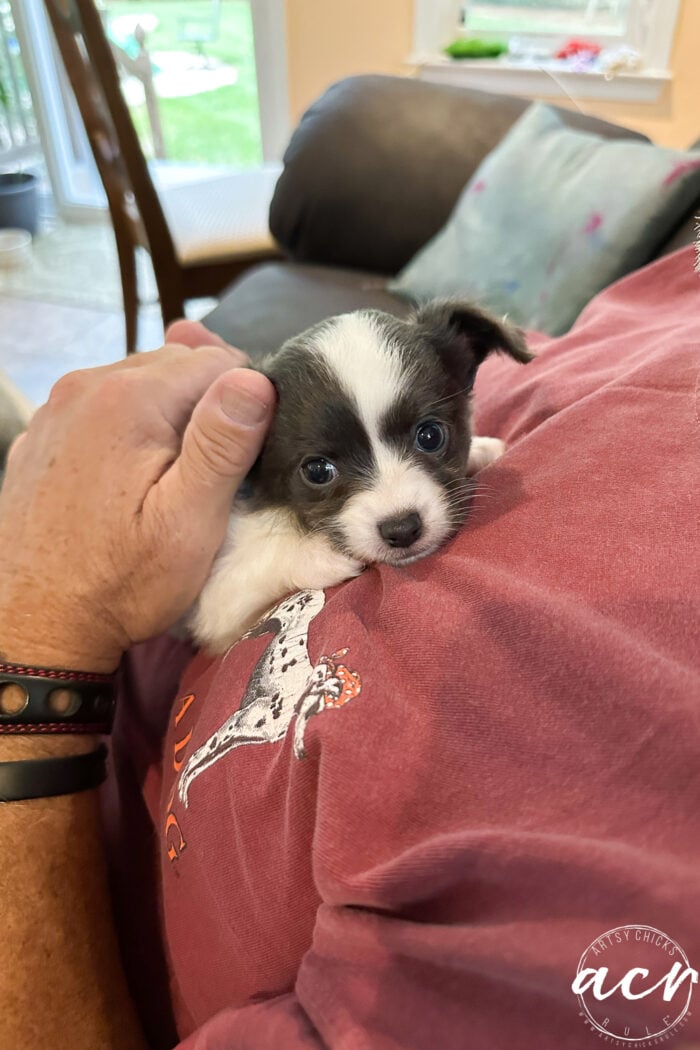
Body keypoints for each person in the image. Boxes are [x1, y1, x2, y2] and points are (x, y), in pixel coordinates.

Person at [0, 246, 698, 1050]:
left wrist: (35, 629)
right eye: (326, 471)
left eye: (428, 436)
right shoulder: (254, 509)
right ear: (267, 463)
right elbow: (215, 609)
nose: (397, 509)